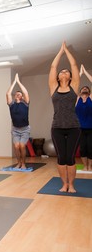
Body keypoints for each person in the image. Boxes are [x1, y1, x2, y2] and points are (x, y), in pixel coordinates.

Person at [48, 41, 81, 193]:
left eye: (66, 72)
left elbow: (74, 66)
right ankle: (64, 184)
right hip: (57, 128)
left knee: (71, 157)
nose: (63, 72)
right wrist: (59, 51)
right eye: (62, 72)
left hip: (74, 127)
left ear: (70, 77)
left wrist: (66, 50)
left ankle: (72, 185)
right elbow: (53, 67)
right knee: (61, 158)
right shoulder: (53, 88)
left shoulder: (74, 87)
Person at [6, 73, 30, 169]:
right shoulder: (11, 104)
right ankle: (19, 163)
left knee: (22, 146)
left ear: (23, 97)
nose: (18, 95)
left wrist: (19, 82)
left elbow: (26, 93)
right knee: (16, 146)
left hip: (25, 129)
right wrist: (14, 82)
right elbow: (8, 94)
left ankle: (23, 163)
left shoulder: (26, 104)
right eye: (16, 94)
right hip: (15, 129)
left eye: (20, 94)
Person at [76, 64, 92, 171]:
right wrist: (80, 74)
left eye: (87, 88)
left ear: (89, 92)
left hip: (91, 128)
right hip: (80, 128)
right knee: (82, 149)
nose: (85, 89)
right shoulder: (77, 100)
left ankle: (90, 167)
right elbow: (74, 85)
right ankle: (85, 166)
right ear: (80, 92)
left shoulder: (91, 98)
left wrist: (85, 72)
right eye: (83, 88)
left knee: (90, 148)